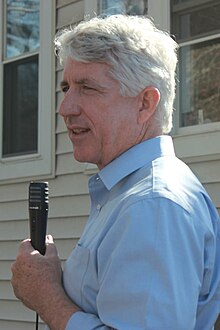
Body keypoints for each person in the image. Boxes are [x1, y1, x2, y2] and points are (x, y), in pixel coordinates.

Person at [11, 14, 220, 330]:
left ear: (145, 104)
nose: (65, 108)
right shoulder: (129, 193)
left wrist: (47, 298)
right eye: (66, 87)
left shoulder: (152, 204)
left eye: (87, 87)